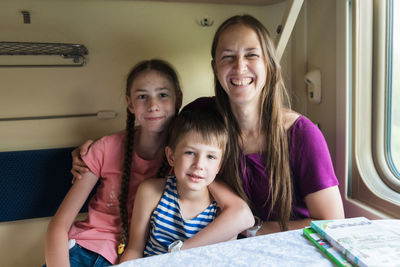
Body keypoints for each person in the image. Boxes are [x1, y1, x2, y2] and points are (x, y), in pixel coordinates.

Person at [72, 14, 344, 238]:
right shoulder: (200, 115)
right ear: (215, 68)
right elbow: (155, 140)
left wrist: (254, 230)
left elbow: (332, 224)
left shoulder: (302, 135)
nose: (239, 66)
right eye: (228, 57)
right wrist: (92, 154)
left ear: (270, 66)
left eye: (251, 55)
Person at [45, 59, 254, 267]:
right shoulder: (105, 148)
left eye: (163, 95)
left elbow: (239, 213)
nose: (153, 105)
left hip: (133, 257)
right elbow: (59, 225)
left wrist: (183, 250)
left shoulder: (187, 158)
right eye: (142, 96)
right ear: (130, 103)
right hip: (84, 249)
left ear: (178, 99)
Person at [120, 109, 247, 262]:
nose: (199, 165)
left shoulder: (222, 212)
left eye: (210, 156)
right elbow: (134, 249)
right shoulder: (150, 192)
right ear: (171, 156)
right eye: (190, 153)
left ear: (219, 165)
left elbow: (223, 260)